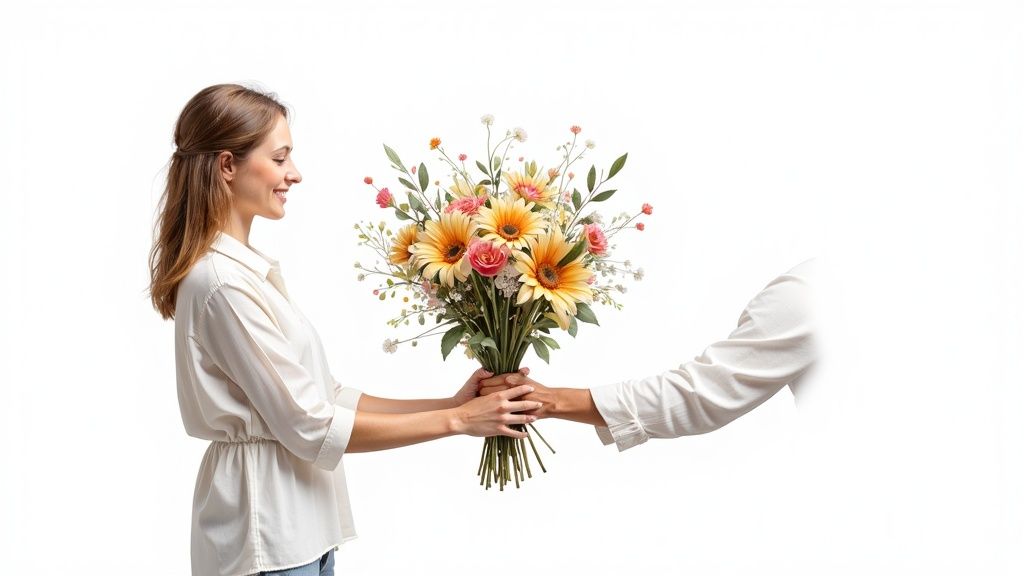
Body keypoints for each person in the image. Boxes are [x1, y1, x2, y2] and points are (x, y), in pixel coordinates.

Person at [148, 84, 539, 576]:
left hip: (299, 530)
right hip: (266, 534)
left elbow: (325, 396)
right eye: (280, 157)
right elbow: (312, 426)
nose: (294, 173)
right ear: (228, 166)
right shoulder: (222, 283)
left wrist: (454, 404)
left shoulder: (243, 272)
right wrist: (461, 423)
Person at [479, 260, 816, 450]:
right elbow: (702, 394)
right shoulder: (822, 286)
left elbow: (698, 396)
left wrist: (547, 400)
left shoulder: (818, 288)